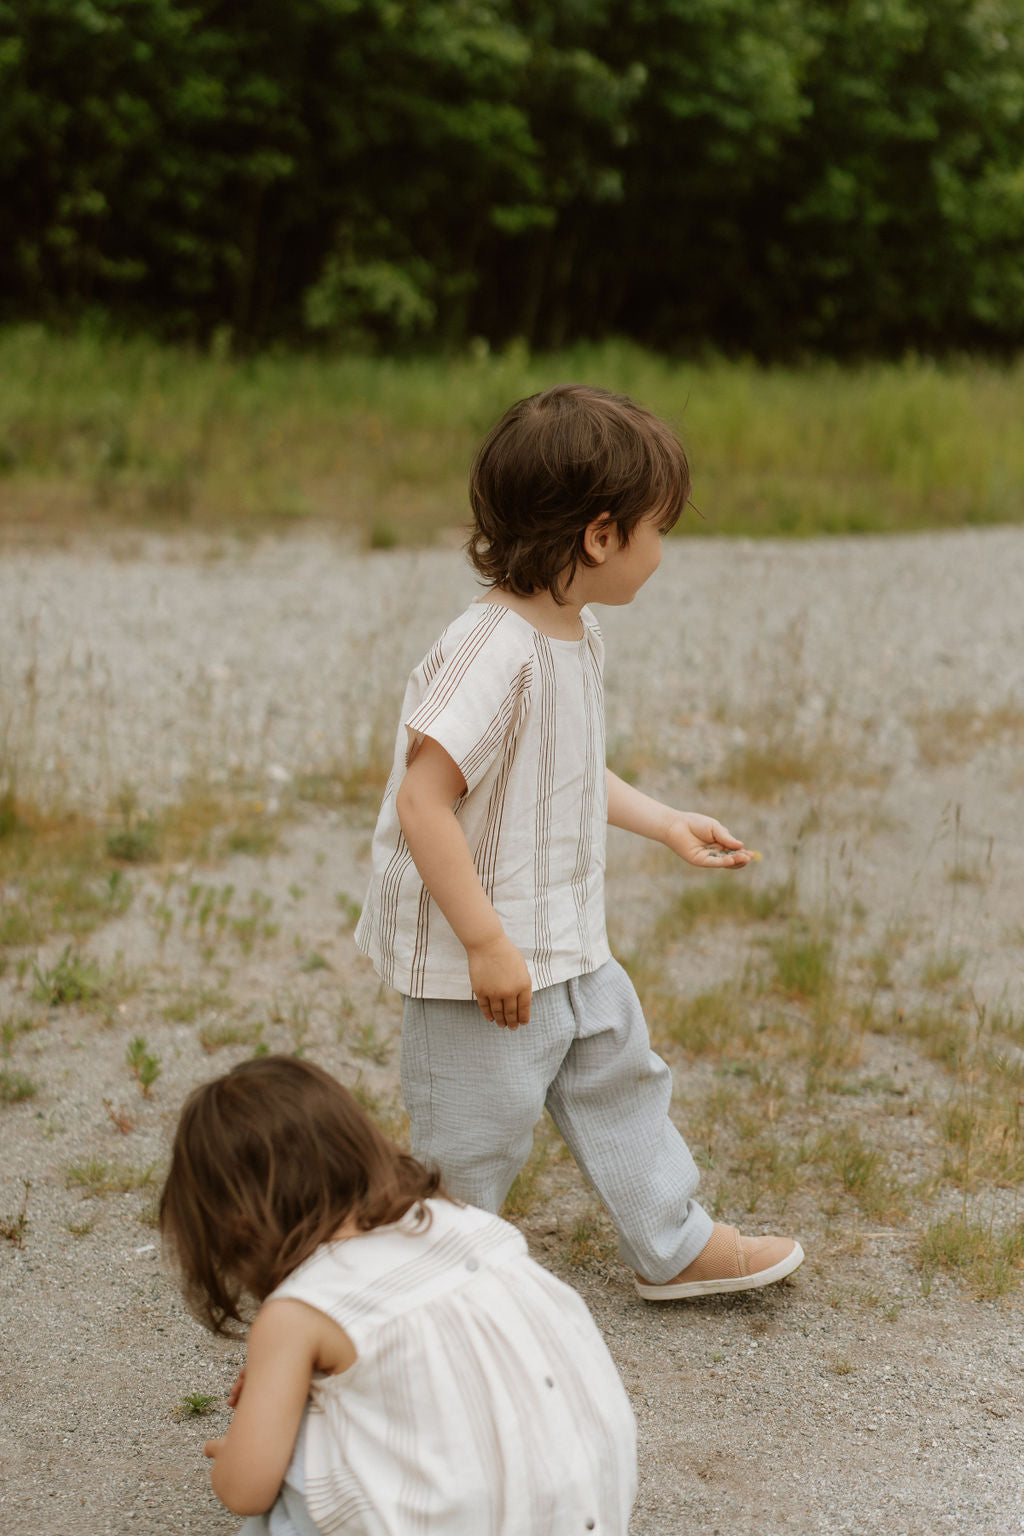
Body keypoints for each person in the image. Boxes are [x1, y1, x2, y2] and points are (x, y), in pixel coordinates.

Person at [355, 383, 804, 1300]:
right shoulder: (490, 650)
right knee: (475, 1137)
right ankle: (434, 1289)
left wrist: (666, 821)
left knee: (622, 1081)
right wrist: (485, 942)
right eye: (658, 529)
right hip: (481, 962)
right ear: (601, 536)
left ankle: (675, 1244)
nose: (662, 551)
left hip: (567, 942)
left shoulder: (576, 634)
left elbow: (562, 772)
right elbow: (424, 801)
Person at [160, 1054, 638, 1535]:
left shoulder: (297, 1314)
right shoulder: (460, 1220)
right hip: (591, 1505)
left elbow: (244, 1490)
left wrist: (239, 1455)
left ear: (230, 1222)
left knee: (282, 1499)